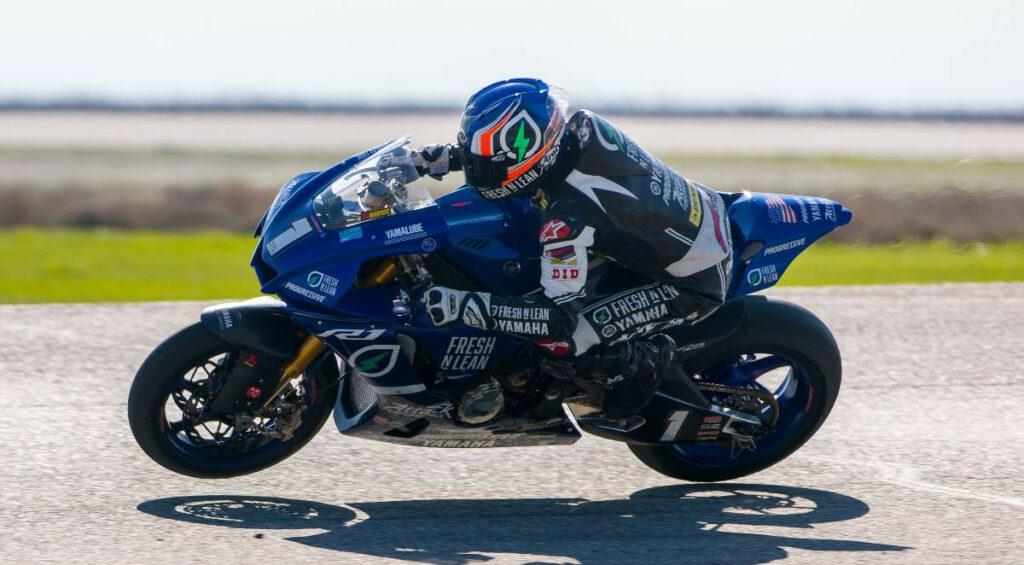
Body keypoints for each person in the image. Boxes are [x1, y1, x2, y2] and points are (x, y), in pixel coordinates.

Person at [411, 78, 733, 423]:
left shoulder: (566, 220)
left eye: (485, 166)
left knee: (564, 344)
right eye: (477, 161)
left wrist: (462, 305)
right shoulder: (578, 129)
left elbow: (556, 319)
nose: (479, 174)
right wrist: (439, 159)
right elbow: (509, 156)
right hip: (696, 218)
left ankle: (646, 362)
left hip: (693, 281)